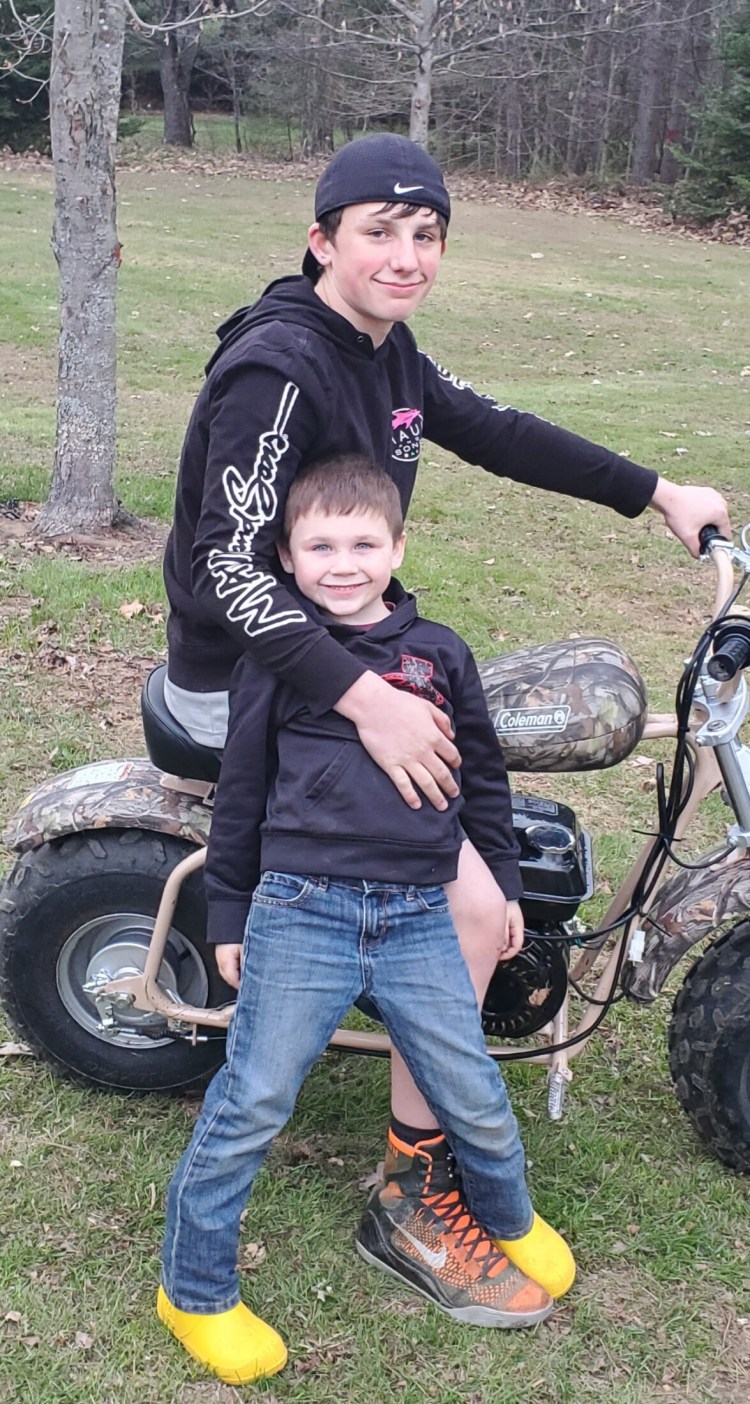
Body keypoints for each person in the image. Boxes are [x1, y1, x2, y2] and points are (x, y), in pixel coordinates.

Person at [161, 132, 730, 1277]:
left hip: (343, 649)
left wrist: (657, 492)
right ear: (322, 239)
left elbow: (497, 428)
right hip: (255, 682)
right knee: (469, 902)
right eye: (380, 231)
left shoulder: (388, 348)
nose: (408, 255)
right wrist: (367, 699)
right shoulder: (278, 366)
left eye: (427, 236)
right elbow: (230, 567)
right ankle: (414, 1189)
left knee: (489, 753)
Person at [158, 456, 577, 1385]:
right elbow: (241, 793)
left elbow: (482, 780)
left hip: (421, 913)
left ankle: (508, 1217)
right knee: (254, 1097)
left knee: (467, 1080)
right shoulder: (281, 653)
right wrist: (231, 908)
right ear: (288, 555)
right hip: (302, 911)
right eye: (319, 545)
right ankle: (192, 1291)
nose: (342, 563)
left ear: (397, 546)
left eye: (362, 543)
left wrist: (500, 883)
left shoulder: (441, 653)